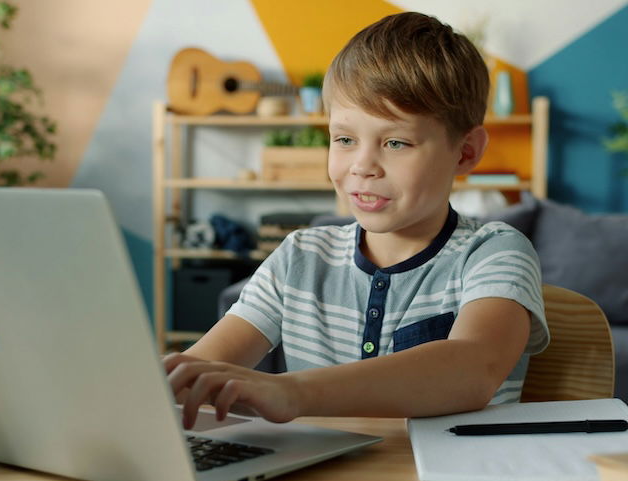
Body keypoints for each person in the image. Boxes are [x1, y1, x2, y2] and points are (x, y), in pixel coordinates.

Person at [164, 12, 549, 430]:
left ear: (466, 152)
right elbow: (200, 369)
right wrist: (159, 381)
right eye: (345, 139)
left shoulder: (494, 251)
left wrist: (293, 392)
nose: (362, 166)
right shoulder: (300, 257)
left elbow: (474, 370)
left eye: (395, 142)